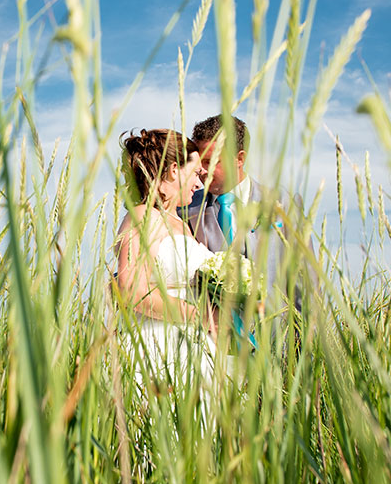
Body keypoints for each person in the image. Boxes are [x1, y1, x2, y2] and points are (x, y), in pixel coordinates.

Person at [113, 129, 223, 387]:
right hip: (160, 348)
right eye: (196, 173)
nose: (199, 184)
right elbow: (131, 291)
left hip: (195, 349)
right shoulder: (143, 216)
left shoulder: (182, 224)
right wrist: (201, 316)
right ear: (174, 169)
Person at [185, 114, 309, 330]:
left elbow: (306, 277)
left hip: (276, 338)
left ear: (239, 158)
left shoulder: (283, 204)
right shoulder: (185, 208)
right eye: (199, 161)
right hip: (213, 343)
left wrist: (308, 340)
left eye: (210, 161)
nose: (202, 170)